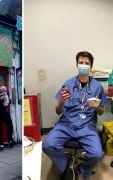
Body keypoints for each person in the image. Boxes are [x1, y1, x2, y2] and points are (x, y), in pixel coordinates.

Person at [42, 51, 107, 180]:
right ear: (77, 64)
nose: (83, 65)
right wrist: (62, 101)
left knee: (97, 154)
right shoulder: (68, 84)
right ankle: (65, 164)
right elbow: (58, 111)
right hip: (66, 123)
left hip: (87, 126)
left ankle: (82, 169)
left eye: (86, 63)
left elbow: (101, 112)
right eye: (81, 63)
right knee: (47, 145)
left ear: (91, 66)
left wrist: (97, 107)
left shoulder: (97, 87)